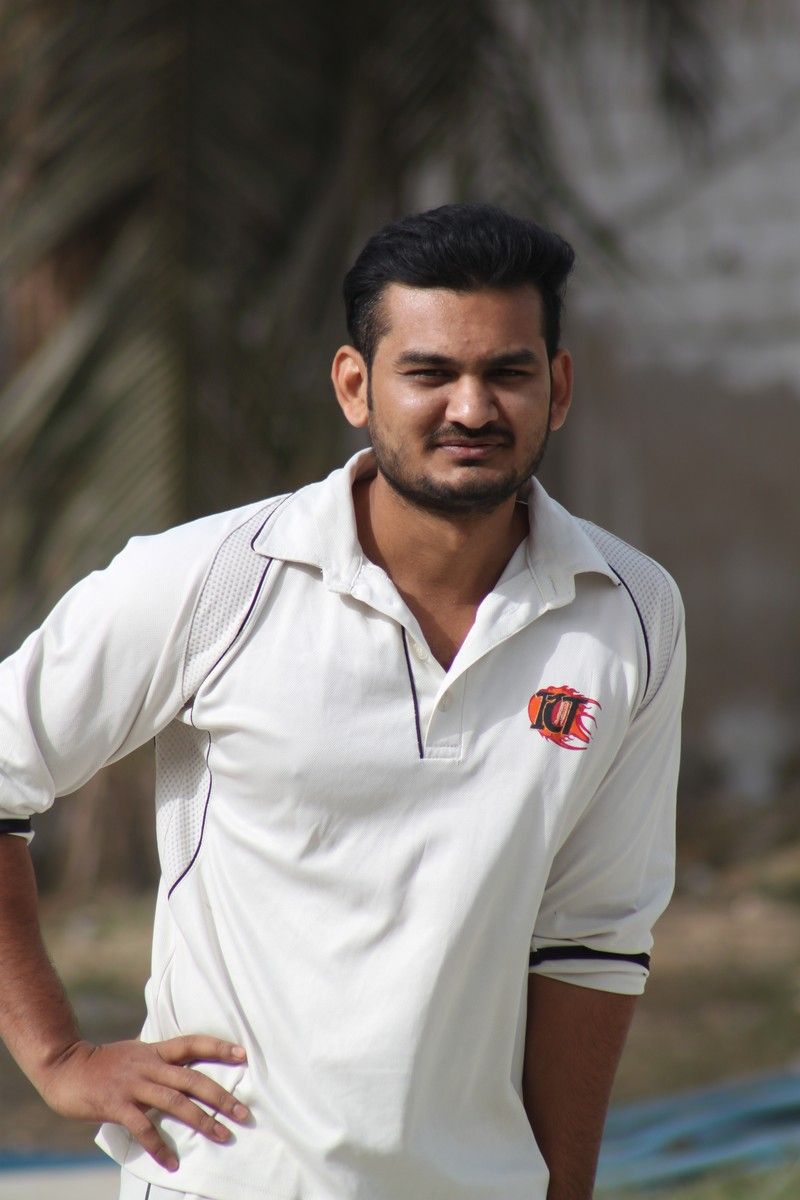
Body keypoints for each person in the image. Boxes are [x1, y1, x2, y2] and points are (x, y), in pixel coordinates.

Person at [0, 203, 685, 1200]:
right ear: (355, 385)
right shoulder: (213, 580)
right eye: (429, 373)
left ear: (559, 386)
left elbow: (593, 937)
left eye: (507, 372)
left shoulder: (630, 612)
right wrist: (59, 1058)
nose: (471, 408)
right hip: (227, 1181)